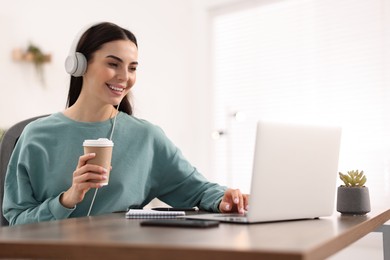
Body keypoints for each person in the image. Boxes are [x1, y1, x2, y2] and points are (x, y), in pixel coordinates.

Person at [3, 22, 249, 225]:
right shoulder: (35, 136)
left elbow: (197, 189)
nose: (124, 77)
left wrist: (225, 198)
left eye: (132, 68)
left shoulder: (146, 137)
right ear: (80, 64)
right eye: (113, 64)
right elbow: (16, 221)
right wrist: (67, 199)